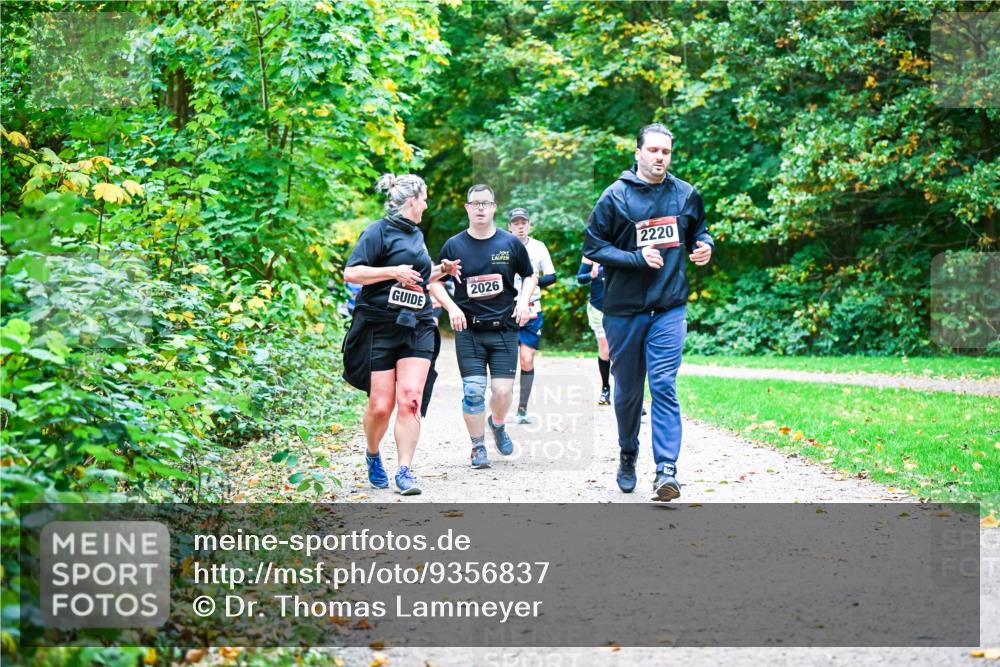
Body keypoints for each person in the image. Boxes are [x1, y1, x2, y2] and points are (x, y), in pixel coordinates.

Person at [582, 123, 714, 501]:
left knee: (663, 384)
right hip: (623, 311)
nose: (660, 157)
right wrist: (635, 259)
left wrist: (705, 246)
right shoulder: (615, 197)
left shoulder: (686, 195)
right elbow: (593, 248)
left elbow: (700, 232)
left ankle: (666, 471)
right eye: (653, 150)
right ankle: (628, 452)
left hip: (669, 307)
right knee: (627, 394)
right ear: (638, 153)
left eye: (666, 152)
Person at [342, 173, 461, 495]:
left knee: (409, 400)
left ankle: (405, 470)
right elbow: (351, 272)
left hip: (417, 323)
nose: (425, 205)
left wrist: (441, 270)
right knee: (381, 405)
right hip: (380, 325)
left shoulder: (417, 235)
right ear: (412, 201)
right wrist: (390, 272)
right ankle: (373, 453)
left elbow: (417, 277)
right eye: (423, 199)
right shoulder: (377, 232)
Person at [428, 185, 537, 469]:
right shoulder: (454, 245)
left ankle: (497, 424)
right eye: (475, 203)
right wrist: (452, 307)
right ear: (466, 207)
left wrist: (523, 302)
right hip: (470, 331)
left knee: (502, 392)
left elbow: (529, 276)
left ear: (494, 207)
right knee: (474, 390)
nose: (480, 208)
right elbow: (434, 281)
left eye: (485, 203)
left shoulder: (509, 243)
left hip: (504, 328)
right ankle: (477, 447)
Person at [507, 208, 556, 424]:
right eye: (515, 223)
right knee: (506, 361)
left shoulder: (539, 247)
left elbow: (552, 276)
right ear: (509, 226)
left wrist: (534, 281)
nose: (519, 226)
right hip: (506, 309)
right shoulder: (501, 246)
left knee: (526, 360)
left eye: (523, 223)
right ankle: (500, 404)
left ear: (529, 225)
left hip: (532, 308)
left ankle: (522, 409)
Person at [576, 257, 611, 406]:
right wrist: (592, 274)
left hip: (621, 308)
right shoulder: (591, 254)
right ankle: (605, 388)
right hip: (598, 309)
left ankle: (632, 397)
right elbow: (580, 278)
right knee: (605, 350)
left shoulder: (622, 247)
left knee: (624, 352)